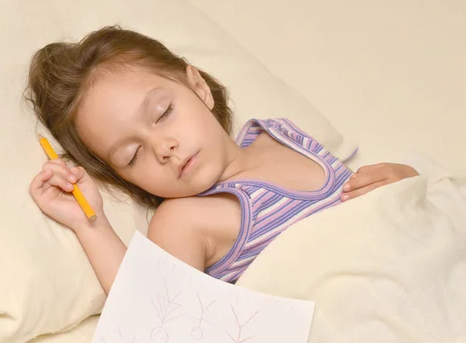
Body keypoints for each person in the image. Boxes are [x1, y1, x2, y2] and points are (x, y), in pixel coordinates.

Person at [26, 26, 418, 293]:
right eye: (132, 155)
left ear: (198, 87)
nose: (163, 147)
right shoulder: (186, 219)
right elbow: (154, 312)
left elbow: (379, 217)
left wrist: (403, 183)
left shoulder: (281, 135)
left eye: (162, 113)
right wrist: (90, 225)